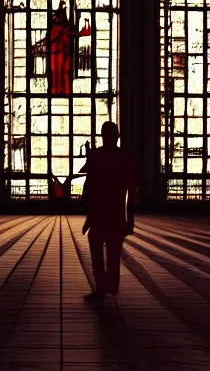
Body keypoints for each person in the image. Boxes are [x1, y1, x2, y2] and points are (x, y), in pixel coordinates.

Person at [80, 121, 138, 301]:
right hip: (117, 215)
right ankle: (112, 285)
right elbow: (132, 191)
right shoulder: (125, 158)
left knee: (97, 253)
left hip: (98, 215)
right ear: (117, 136)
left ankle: (100, 288)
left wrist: (88, 217)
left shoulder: (96, 156)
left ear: (103, 136)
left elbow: (89, 190)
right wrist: (131, 220)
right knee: (113, 254)